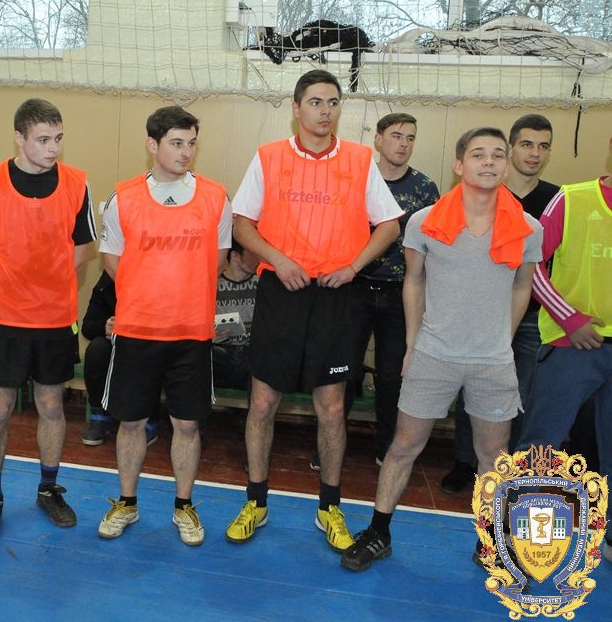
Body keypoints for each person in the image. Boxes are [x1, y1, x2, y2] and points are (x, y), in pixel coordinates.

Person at [342, 127, 542, 572]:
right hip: (434, 354)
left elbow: (522, 286)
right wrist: (413, 342)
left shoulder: (529, 227)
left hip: (493, 361)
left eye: (497, 155)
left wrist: (503, 340)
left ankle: (492, 542)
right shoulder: (424, 221)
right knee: (403, 446)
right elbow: (413, 281)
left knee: (494, 457)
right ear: (459, 165)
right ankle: (378, 532)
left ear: (506, 165)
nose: (488, 162)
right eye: (478, 154)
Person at [227, 70, 403, 551]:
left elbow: (389, 225)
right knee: (263, 402)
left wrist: (353, 266)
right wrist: (279, 259)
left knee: (331, 407)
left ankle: (329, 507)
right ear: (296, 108)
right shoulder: (269, 157)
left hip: (335, 295)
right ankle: (256, 501)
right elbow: (241, 224)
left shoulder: (360, 160)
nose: (325, 111)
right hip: (281, 291)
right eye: (315, 102)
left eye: (333, 102)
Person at [0, 98, 96, 539]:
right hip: (5, 320)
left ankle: (48, 489)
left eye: (58, 138)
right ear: (19, 137)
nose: (53, 148)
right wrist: (5, 295)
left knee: (52, 405)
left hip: (56, 319)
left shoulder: (76, 183)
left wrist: (49, 290)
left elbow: (81, 250)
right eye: (43, 139)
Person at [96, 106, 231, 546]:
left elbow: (219, 260)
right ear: (152, 145)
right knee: (131, 422)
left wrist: (179, 294)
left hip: (191, 333)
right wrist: (148, 294)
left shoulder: (216, 198)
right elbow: (112, 259)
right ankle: (127, 502)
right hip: (138, 331)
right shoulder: (123, 198)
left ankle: (184, 505)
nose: (186, 152)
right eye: (176, 143)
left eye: (191, 143)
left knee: (187, 425)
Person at [440, 114, 560, 494]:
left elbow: (550, 262)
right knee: (471, 390)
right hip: (479, 315)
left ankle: (507, 469)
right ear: (510, 150)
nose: (535, 153)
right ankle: (464, 462)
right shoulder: (483, 190)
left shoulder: (556, 199)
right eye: (526, 144)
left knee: (516, 396)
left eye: (543, 146)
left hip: (531, 316)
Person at [515, 149, 612, 564]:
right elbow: (532, 264)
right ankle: (520, 544)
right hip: (572, 344)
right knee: (541, 446)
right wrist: (569, 319)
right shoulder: (572, 198)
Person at [335, 113, 439, 467]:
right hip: (354, 289)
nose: (403, 144)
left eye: (410, 137)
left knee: (393, 376)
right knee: (344, 371)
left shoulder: (424, 188)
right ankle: (331, 446)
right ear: (378, 140)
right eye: (396, 136)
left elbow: (433, 244)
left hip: (401, 294)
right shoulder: (356, 180)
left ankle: (386, 451)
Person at [80, 271, 159, 447]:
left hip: (146, 343)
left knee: (151, 353)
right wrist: (105, 326)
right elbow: (87, 326)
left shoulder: (154, 277)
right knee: (96, 350)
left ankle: (149, 418)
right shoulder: (106, 283)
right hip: (113, 344)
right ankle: (99, 416)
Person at [212, 238, 259, 391]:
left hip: (251, 353)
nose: (258, 259)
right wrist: (210, 337)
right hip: (221, 352)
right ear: (235, 256)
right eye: (252, 255)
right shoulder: (213, 285)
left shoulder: (261, 284)